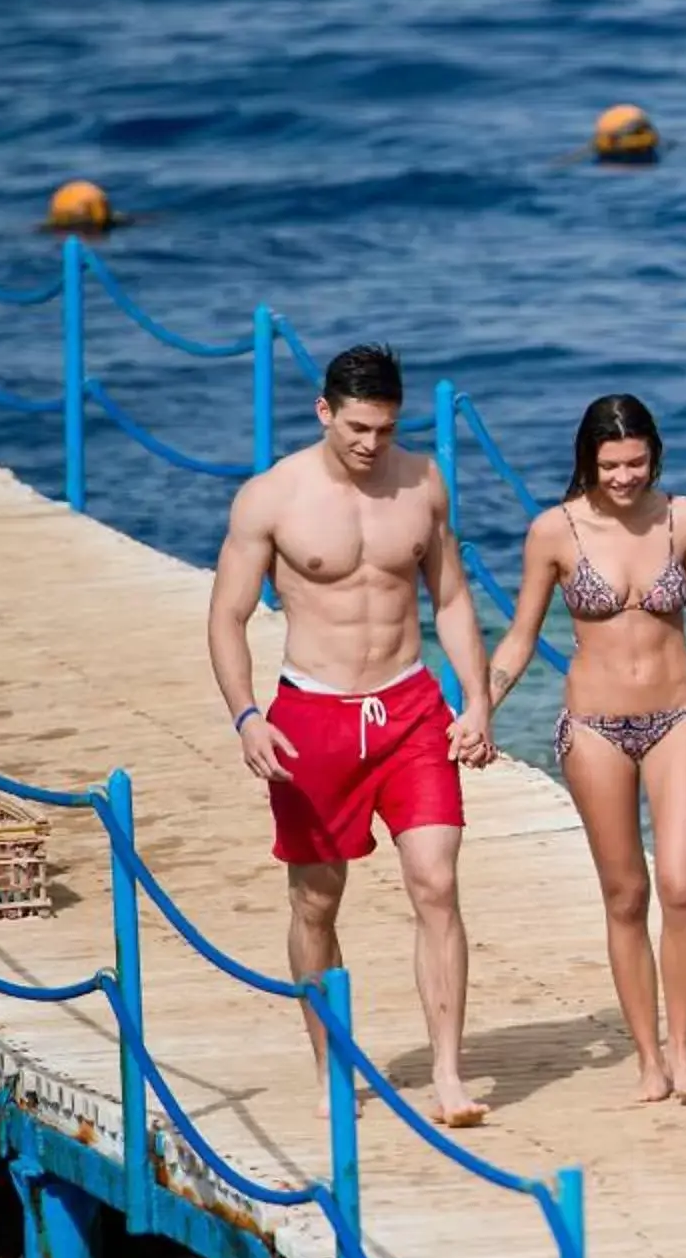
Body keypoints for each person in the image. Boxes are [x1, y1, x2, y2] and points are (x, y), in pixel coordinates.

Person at [206, 345, 496, 1127]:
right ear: (325, 411)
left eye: (387, 428)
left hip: (409, 709)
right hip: (312, 719)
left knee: (436, 881)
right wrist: (245, 715)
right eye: (359, 427)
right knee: (317, 902)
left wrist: (476, 700)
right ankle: (332, 1061)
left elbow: (454, 598)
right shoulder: (271, 498)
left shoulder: (422, 482)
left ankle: (447, 1075)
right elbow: (228, 616)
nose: (373, 444)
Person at [483, 396, 686, 1103]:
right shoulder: (554, 532)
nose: (625, 477)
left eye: (636, 463)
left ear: (654, 455)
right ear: (587, 462)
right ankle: (647, 1059)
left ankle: (684, 1049)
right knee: (626, 895)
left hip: (677, 721)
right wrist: (479, 709)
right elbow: (518, 634)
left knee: (683, 887)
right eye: (610, 466)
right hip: (595, 729)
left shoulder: (685, 520)